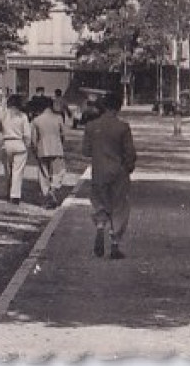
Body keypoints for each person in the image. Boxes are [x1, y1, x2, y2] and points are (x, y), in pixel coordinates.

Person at [82, 89, 137, 258]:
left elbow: (86, 151)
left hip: (99, 171)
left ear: (104, 107)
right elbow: (130, 153)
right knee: (119, 206)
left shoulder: (91, 127)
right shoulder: (123, 127)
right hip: (118, 172)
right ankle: (114, 243)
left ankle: (100, 226)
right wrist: (129, 167)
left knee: (99, 201)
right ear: (118, 108)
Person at [31, 96, 69, 208]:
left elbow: (33, 139)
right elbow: (63, 135)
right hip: (56, 149)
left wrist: (35, 150)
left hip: (42, 149)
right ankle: (53, 189)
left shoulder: (36, 120)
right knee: (58, 172)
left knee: (44, 174)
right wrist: (60, 144)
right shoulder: (58, 118)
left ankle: (46, 194)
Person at [0, 94, 30, 205]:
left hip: (7, 143)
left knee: (8, 170)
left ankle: (8, 191)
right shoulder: (23, 117)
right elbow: (27, 134)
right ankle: (15, 195)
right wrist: (27, 145)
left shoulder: (3, 115)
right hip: (19, 144)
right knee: (17, 171)